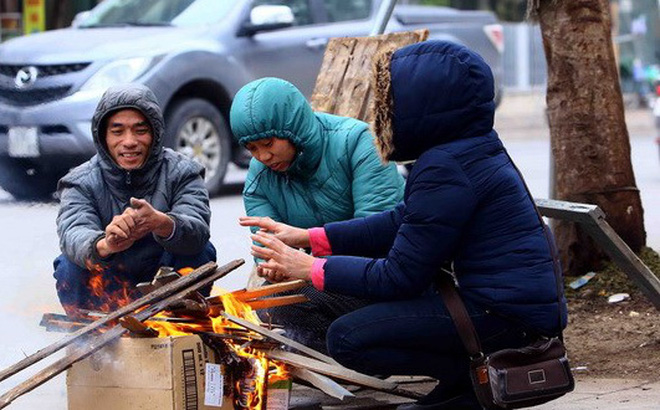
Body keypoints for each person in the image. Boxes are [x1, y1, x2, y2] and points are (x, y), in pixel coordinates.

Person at [243, 41, 568, 410]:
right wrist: (309, 237)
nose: (385, 112)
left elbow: (399, 276)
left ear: (423, 104)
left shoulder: (446, 166)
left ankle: (475, 379)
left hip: (509, 318)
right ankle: (465, 382)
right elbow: (402, 220)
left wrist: (309, 267)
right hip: (515, 307)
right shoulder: (466, 148)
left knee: (349, 338)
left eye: (389, 102)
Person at [230, 77, 404, 352]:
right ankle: (347, 356)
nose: (262, 156)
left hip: (383, 275)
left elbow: (377, 235)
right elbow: (269, 250)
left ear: (291, 127)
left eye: (267, 143)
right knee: (268, 305)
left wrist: (309, 262)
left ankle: (369, 354)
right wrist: (274, 269)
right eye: (251, 149)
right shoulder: (258, 178)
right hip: (321, 279)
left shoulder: (359, 142)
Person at [54, 83, 216, 315]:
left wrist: (162, 223)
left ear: (155, 134)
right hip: (110, 281)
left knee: (201, 251)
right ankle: (92, 341)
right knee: (70, 265)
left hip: (164, 280)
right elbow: (73, 233)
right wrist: (105, 244)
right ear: (103, 136)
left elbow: (197, 229)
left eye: (140, 130)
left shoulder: (183, 172)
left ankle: (180, 328)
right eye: (117, 131)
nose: (129, 141)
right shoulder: (80, 181)